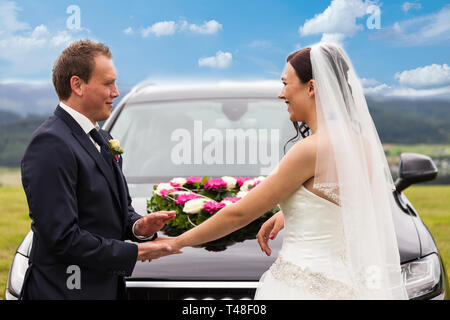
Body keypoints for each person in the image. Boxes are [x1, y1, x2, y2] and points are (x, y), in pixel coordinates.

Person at [156, 42, 408, 299]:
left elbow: (239, 214)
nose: (281, 94)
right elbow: (349, 205)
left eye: (285, 83)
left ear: (311, 87)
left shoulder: (310, 150)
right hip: (349, 285)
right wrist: (292, 212)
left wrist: (174, 242)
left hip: (303, 288)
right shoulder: (361, 145)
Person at [20, 39, 179, 300]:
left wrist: (139, 226)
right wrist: (135, 253)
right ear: (77, 85)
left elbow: (116, 210)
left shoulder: (103, 139)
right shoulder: (50, 144)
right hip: (66, 292)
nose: (115, 92)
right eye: (108, 84)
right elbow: (61, 237)